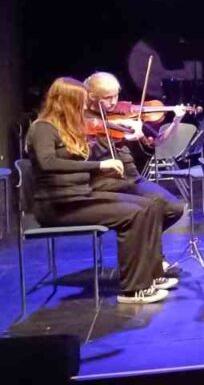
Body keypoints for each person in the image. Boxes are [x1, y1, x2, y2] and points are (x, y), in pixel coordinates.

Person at [27, 78, 173, 304]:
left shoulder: (70, 129)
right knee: (134, 214)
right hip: (59, 204)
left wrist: (121, 138)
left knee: (152, 205)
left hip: (80, 195)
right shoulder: (43, 127)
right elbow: (47, 162)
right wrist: (99, 165)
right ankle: (133, 290)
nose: (85, 107)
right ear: (66, 101)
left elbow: (87, 152)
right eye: (81, 102)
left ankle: (152, 275)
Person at [84, 71, 187, 274]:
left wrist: (176, 121)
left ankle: (148, 253)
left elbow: (157, 141)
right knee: (151, 209)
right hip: (107, 182)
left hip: (132, 177)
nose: (114, 102)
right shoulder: (84, 120)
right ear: (92, 96)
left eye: (116, 96)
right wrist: (119, 135)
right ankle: (152, 261)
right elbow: (86, 151)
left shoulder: (125, 117)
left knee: (174, 208)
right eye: (107, 98)